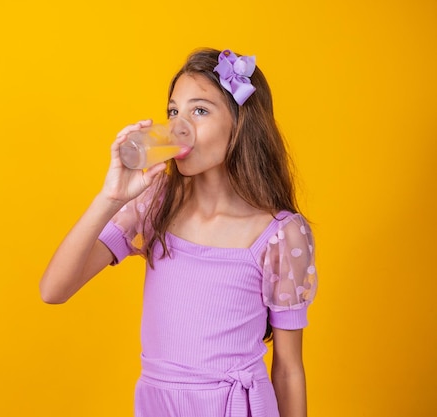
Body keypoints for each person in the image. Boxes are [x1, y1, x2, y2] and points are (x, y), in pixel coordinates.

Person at [40, 47, 318, 417]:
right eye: (173, 111)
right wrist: (109, 198)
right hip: (159, 406)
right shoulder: (155, 204)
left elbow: (287, 369)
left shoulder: (279, 234)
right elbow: (53, 290)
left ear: (240, 122)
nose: (178, 126)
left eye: (199, 110)